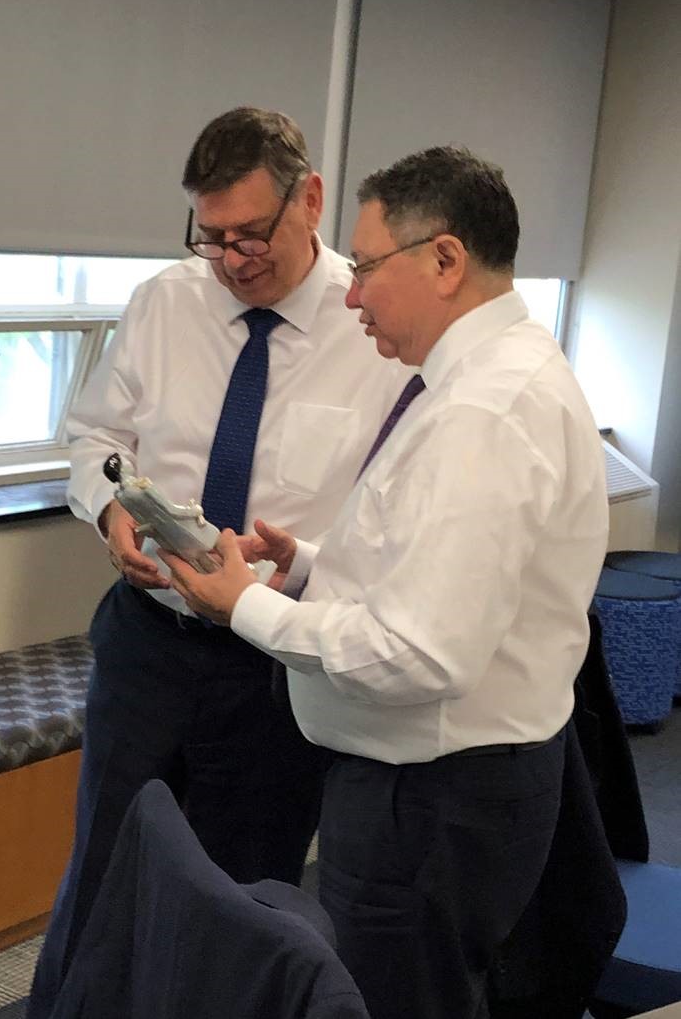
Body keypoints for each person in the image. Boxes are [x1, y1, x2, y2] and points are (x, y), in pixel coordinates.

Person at [163, 146, 610, 1019]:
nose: (352, 292)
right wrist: (310, 565)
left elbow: (418, 651)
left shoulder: (482, 413)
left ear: (445, 260)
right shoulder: (494, 376)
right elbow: (450, 577)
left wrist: (244, 604)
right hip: (455, 782)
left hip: (432, 796)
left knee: (397, 1000)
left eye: (366, 266)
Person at [26, 107, 407, 1019]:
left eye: (253, 234)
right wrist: (111, 506)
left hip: (273, 667)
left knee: (241, 902)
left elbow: (392, 515)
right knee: (104, 869)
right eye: (213, 238)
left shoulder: (378, 333)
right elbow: (95, 437)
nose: (233, 259)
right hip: (148, 643)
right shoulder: (166, 302)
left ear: (309, 201)